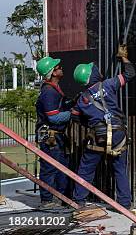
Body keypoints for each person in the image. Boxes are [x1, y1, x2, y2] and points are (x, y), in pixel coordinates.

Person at [70, 45, 134, 209]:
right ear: (92, 75)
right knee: (119, 168)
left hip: (98, 135)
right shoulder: (108, 84)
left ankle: (79, 201)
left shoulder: (82, 99)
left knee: (86, 168)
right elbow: (129, 74)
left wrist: (91, 123)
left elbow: (75, 118)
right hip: (118, 133)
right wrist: (124, 58)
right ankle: (124, 203)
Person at [35, 56, 71, 207]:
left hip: (56, 138)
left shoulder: (54, 89)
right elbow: (54, 118)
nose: (61, 67)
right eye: (58, 67)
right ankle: (47, 200)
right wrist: (73, 113)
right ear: (53, 73)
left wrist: (71, 103)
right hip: (51, 138)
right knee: (50, 168)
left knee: (61, 168)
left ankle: (58, 198)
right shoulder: (49, 92)